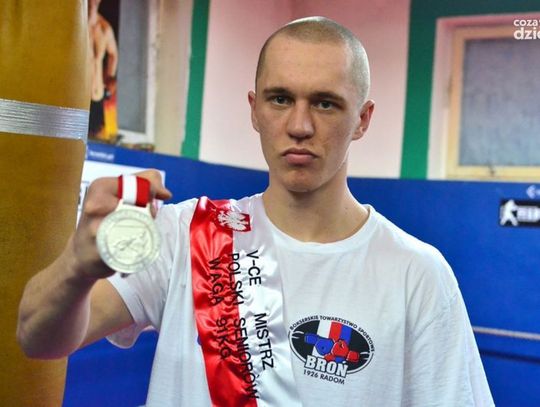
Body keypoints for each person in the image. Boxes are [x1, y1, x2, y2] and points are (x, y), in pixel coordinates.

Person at [17, 16, 494, 406]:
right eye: (280, 99)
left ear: (362, 120)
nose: (299, 125)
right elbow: (37, 340)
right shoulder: (187, 235)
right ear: (254, 108)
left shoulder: (417, 274)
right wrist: (77, 266)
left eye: (325, 104)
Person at [88, 0, 118, 141]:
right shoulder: (74, 25)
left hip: (96, 94)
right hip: (76, 95)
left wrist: (110, 77)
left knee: (96, 142)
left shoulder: (105, 29)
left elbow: (113, 54)